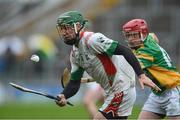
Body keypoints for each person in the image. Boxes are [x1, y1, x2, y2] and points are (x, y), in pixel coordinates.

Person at [55, 11, 160, 119]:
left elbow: (125, 51)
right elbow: (74, 82)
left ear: (77, 26)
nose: (64, 32)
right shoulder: (75, 54)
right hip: (112, 92)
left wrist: (141, 75)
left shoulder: (92, 40)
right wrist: (64, 95)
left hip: (121, 89)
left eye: (66, 28)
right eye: (61, 29)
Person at [122, 19, 180, 119]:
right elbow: (153, 36)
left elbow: (130, 63)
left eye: (134, 35)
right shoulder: (148, 37)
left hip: (173, 91)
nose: (131, 39)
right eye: (128, 35)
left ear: (143, 34)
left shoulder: (146, 52)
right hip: (157, 93)